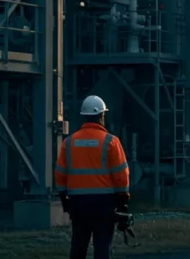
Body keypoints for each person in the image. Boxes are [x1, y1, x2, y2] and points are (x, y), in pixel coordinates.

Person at [55, 95, 130, 259]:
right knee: (102, 245)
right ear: (102, 116)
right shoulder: (111, 141)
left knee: (78, 245)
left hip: (78, 203)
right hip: (104, 204)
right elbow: (121, 175)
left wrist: (64, 198)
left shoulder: (69, 142)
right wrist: (123, 202)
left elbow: (60, 173)